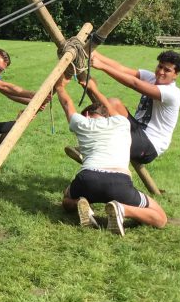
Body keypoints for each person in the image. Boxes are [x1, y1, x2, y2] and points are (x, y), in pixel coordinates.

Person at [55, 76, 166, 236]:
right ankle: (122, 209)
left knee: (66, 200)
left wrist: (60, 87)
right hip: (119, 182)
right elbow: (109, 107)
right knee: (160, 217)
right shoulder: (122, 123)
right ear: (108, 115)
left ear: (86, 115)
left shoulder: (82, 123)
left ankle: (80, 202)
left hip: (87, 180)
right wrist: (94, 89)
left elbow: (67, 104)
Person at [88, 49, 180, 165]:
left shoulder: (172, 93)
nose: (161, 72)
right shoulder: (151, 78)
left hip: (150, 144)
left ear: (176, 75)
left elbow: (134, 84)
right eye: (160, 66)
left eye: (167, 70)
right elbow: (121, 69)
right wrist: (94, 53)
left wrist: (102, 66)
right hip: (136, 129)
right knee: (113, 103)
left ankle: (89, 152)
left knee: (112, 135)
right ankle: (89, 144)